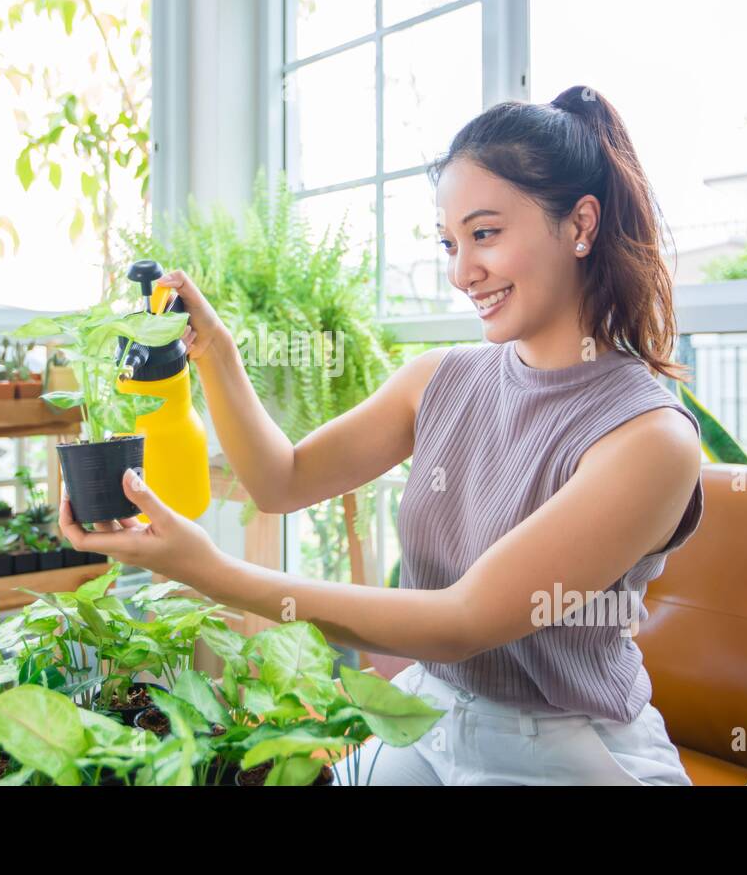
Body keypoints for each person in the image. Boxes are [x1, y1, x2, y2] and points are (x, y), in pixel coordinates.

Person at [59, 85, 705, 785]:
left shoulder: (650, 438)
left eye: (486, 234)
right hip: (429, 717)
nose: (463, 272)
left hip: (564, 749)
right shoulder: (439, 380)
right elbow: (283, 480)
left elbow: (463, 620)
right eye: (451, 243)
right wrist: (215, 351)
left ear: (580, 224)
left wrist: (212, 574)